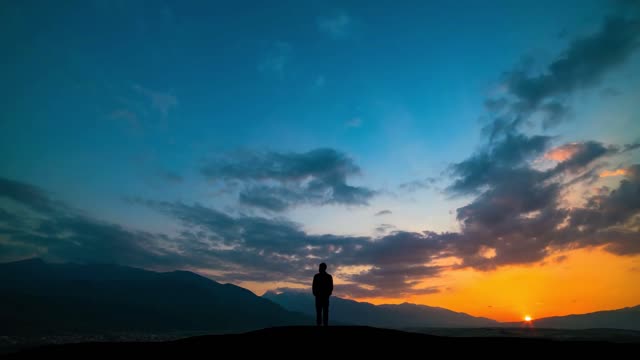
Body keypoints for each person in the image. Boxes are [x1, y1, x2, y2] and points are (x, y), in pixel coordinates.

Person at [312, 262, 333, 326]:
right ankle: (320, 324)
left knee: (324, 312)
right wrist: (315, 293)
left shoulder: (328, 277)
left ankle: (324, 324)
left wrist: (327, 294)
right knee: (320, 312)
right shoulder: (317, 276)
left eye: (320, 267)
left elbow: (331, 287)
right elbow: (314, 286)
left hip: (324, 297)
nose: (319, 268)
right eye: (319, 267)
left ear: (324, 268)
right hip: (319, 297)